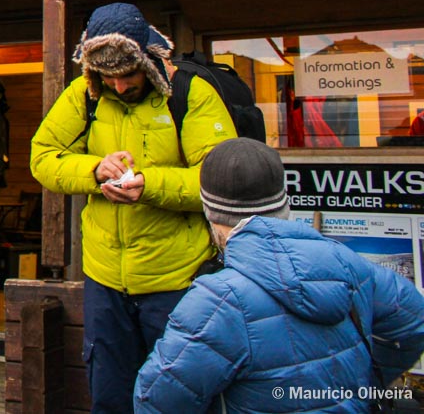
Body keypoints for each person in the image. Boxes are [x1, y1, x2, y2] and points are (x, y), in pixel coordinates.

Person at [30, 2, 235, 414]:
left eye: (127, 76)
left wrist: (151, 185)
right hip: (105, 280)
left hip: (177, 279)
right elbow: (43, 156)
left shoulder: (191, 94)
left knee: (180, 397)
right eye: (108, 78)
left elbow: (220, 180)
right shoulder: (83, 95)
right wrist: (93, 170)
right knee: (109, 396)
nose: (119, 87)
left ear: (150, 61)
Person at [135, 138, 424, 412]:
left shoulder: (216, 300)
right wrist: (362, 386)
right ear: (284, 202)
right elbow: (413, 322)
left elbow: (157, 400)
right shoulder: (348, 263)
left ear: (209, 210)